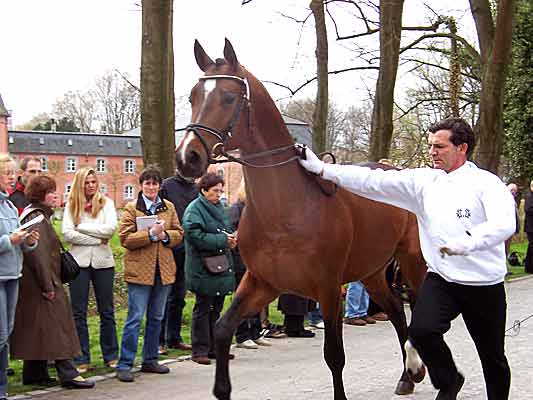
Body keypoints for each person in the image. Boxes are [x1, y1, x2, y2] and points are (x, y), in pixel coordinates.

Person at [297, 117, 515, 400]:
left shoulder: (487, 184)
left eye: (440, 146)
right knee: (422, 332)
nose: (432, 152)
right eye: (430, 146)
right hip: (443, 280)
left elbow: (504, 223)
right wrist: (323, 169)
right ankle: (449, 380)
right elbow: (373, 180)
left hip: (484, 285)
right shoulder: (423, 181)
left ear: (462, 148)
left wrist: (467, 243)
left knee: (492, 358)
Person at [10, 175, 94, 390]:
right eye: (51, 192)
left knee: (39, 328)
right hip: (42, 283)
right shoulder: (36, 218)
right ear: (41, 195)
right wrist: (48, 286)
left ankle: (34, 373)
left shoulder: (36, 215)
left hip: (34, 283)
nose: (56, 195)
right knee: (58, 327)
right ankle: (69, 373)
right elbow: (38, 256)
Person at [115, 166, 183, 382]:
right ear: (141, 185)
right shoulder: (131, 208)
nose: (151, 187)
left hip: (163, 270)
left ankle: (150, 360)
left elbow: (179, 234)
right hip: (139, 271)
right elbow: (125, 239)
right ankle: (125, 363)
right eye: (147, 183)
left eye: (155, 183)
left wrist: (164, 236)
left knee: (156, 317)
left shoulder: (169, 207)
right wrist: (150, 235)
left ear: (159, 186)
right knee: (134, 318)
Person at [62, 167, 119, 373]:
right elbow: (68, 234)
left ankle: (111, 355)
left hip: (104, 263)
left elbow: (110, 230)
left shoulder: (107, 204)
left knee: (107, 311)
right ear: (80, 184)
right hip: (79, 264)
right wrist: (97, 239)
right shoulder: (71, 205)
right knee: (78, 312)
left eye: (94, 182)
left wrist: (81, 227)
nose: (91, 186)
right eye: (87, 182)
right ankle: (82, 357)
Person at [182, 173, 236, 365]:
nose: (219, 195)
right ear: (204, 190)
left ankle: (215, 348)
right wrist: (223, 240)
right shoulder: (194, 210)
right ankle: (199, 350)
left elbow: (224, 228)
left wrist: (230, 238)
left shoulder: (218, 207)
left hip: (220, 263)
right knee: (203, 308)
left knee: (217, 308)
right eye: (215, 191)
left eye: (221, 191)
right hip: (202, 266)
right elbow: (194, 235)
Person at [0, 154, 40, 400]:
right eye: (7, 174)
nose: (12, 178)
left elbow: (19, 241)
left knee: (7, 334)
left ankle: (3, 387)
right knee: (1, 335)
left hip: (13, 274)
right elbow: (7, 240)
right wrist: (9, 241)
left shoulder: (11, 207)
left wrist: (29, 242)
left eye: (13, 174)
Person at [158, 169, 198, 354]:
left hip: (188, 249)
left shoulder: (196, 188)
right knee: (164, 295)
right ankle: (159, 339)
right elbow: (160, 214)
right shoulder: (166, 186)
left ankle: (174, 337)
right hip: (169, 247)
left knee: (179, 296)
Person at [229, 182, 271, 349]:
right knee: (243, 296)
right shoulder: (237, 208)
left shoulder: (259, 208)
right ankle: (242, 334)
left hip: (257, 258)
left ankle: (255, 331)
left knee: (256, 295)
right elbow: (233, 230)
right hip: (241, 257)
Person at [524, 179, 533, 274]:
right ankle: (529, 267)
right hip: (531, 227)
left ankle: (529, 267)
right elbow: (529, 209)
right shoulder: (529, 196)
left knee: (531, 247)